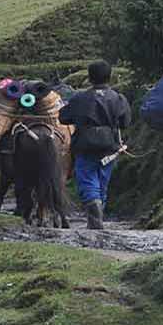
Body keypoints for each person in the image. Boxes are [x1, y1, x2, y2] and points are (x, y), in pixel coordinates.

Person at [59, 61, 131, 229]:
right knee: (102, 182)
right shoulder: (118, 98)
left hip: (85, 145)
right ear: (110, 77)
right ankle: (98, 219)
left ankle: (95, 219)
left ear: (89, 78)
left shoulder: (79, 98)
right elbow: (125, 122)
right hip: (109, 146)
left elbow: (63, 118)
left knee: (88, 180)